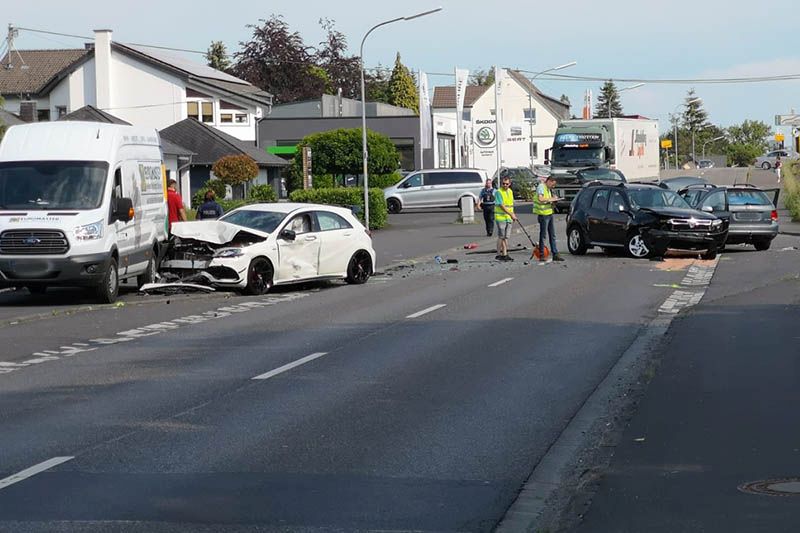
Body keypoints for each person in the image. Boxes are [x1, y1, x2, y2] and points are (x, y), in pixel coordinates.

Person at [534, 176, 565, 264]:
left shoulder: (548, 189)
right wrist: (551, 199)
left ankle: (555, 254)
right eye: (553, 184)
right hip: (543, 214)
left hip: (549, 213)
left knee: (552, 234)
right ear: (549, 181)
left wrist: (554, 199)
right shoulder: (541, 187)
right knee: (543, 235)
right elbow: (540, 199)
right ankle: (542, 254)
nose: (553, 187)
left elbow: (547, 199)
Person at [494, 176, 517, 261]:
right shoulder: (498, 192)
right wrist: (511, 214)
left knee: (506, 237)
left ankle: (504, 254)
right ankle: (500, 254)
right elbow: (501, 205)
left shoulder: (510, 192)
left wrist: (513, 214)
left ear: (510, 184)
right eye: (503, 183)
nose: (505, 185)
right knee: (501, 236)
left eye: (507, 184)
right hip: (500, 217)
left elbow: (510, 205)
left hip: (508, 217)